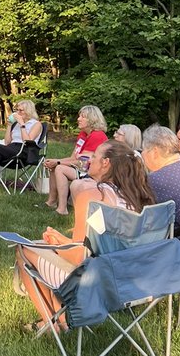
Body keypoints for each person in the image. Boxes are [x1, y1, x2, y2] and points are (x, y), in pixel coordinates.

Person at [15, 140, 155, 328]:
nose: (89, 160)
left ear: (106, 163)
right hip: (133, 281)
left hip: (94, 284)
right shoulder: (138, 198)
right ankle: (58, 320)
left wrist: (56, 244)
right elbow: (96, 245)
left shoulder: (92, 196)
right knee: (42, 245)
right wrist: (61, 240)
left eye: (94, 156)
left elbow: (78, 257)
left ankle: (53, 323)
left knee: (24, 250)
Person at [44, 106, 108, 214]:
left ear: (92, 119)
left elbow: (82, 162)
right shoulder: (83, 134)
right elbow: (73, 158)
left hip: (93, 173)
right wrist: (55, 161)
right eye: (79, 116)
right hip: (83, 168)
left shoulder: (97, 136)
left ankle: (62, 209)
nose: (78, 119)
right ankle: (51, 201)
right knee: (54, 166)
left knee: (60, 168)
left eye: (82, 117)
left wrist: (58, 162)